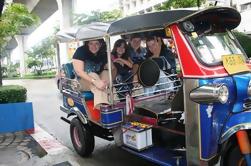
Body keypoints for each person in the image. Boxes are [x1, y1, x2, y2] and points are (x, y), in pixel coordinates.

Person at [72, 39, 113, 108]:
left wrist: (108, 81)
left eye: (96, 43)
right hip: (80, 81)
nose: (94, 46)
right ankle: (102, 107)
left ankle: (115, 102)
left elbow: (113, 68)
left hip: (97, 81)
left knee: (106, 73)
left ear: (100, 45)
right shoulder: (81, 51)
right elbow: (79, 72)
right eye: (91, 43)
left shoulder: (103, 53)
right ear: (87, 44)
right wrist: (95, 81)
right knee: (93, 75)